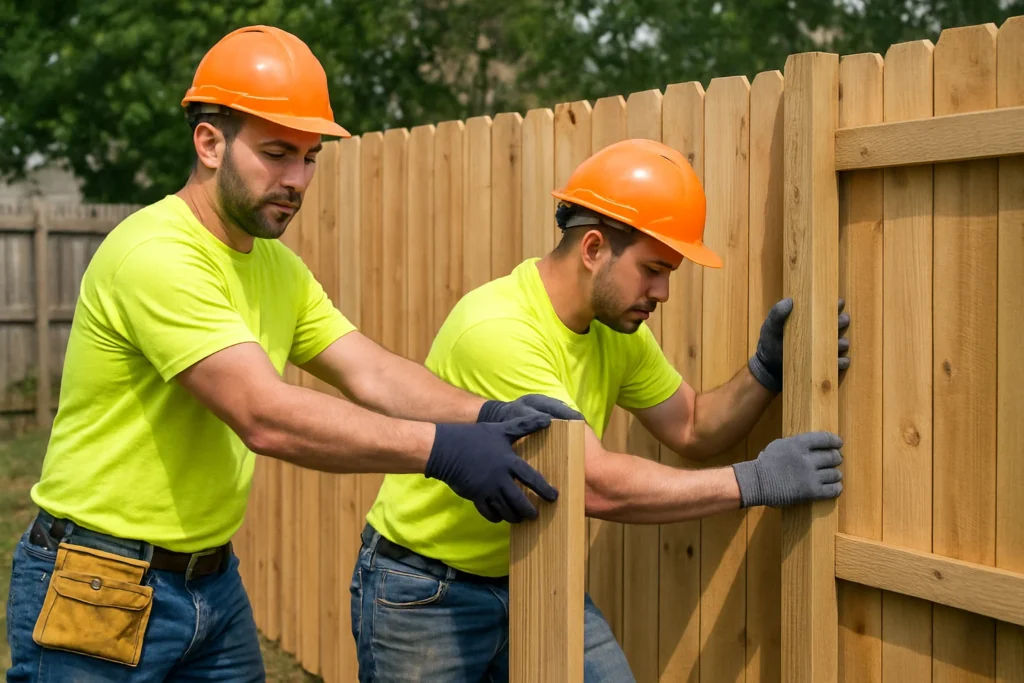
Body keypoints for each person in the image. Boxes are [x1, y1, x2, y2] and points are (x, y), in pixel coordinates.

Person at [4, 25, 577, 683]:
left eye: (309, 157)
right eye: (277, 153)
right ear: (210, 142)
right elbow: (264, 414)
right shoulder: (157, 254)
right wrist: (443, 451)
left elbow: (368, 368)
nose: (297, 179)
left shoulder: (275, 266)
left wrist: (486, 414)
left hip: (209, 581)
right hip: (100, 580)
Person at [352, 138, 852, 681]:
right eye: (653, 269)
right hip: (426, 592)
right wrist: (754, 482)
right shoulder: (500, 330)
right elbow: (590, 484)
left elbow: (691, 425)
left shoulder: (617, 330)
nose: (662, 292)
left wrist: (764, 372)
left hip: (533, 571)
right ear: (593, 249)